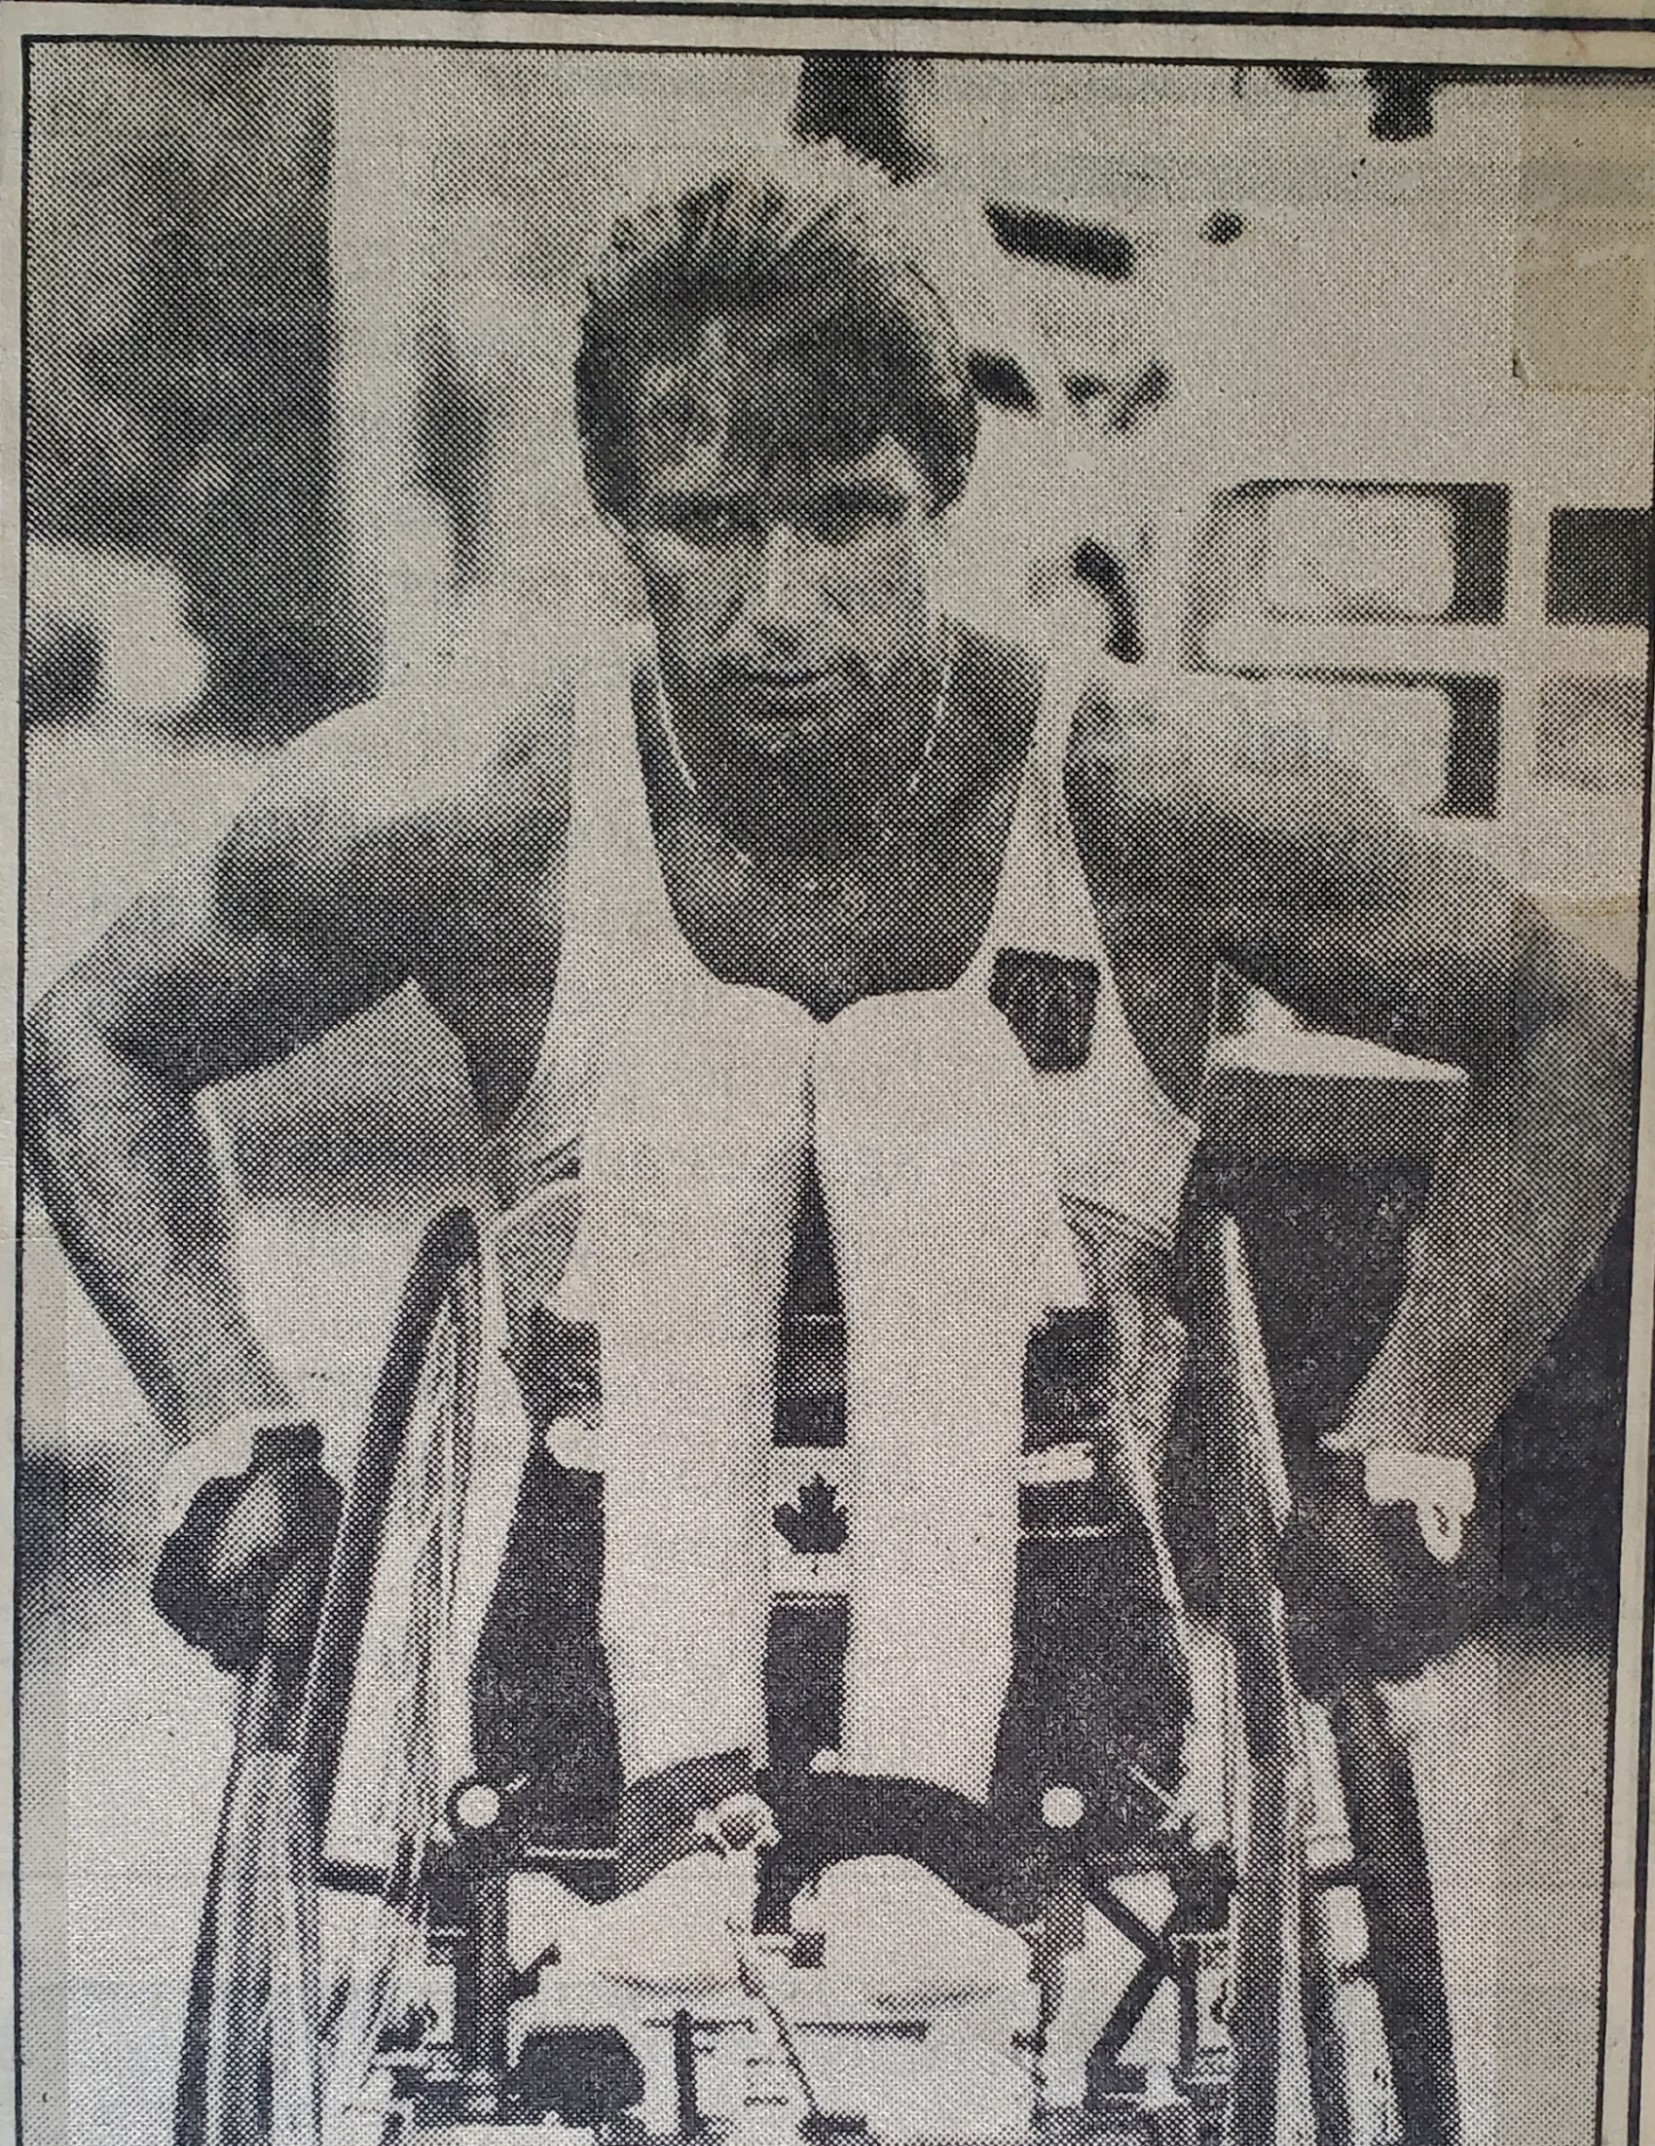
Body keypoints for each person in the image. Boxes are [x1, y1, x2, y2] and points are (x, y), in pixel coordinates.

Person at [24, 173, 1634, 2006]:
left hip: (1053, 1612)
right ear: (621, 519)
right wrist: (227, 1432)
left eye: (852, 516)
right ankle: (687, 1826)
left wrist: (1413, 1437)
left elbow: (1566, 1018)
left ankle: (914, 1851)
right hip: (592, 1657)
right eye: (711, 524)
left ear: (943, 493)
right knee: (708, 1057)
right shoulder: (479, 800)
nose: (782, 606)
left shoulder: (1145, 788)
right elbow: (96, 1031)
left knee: (922, 1067)